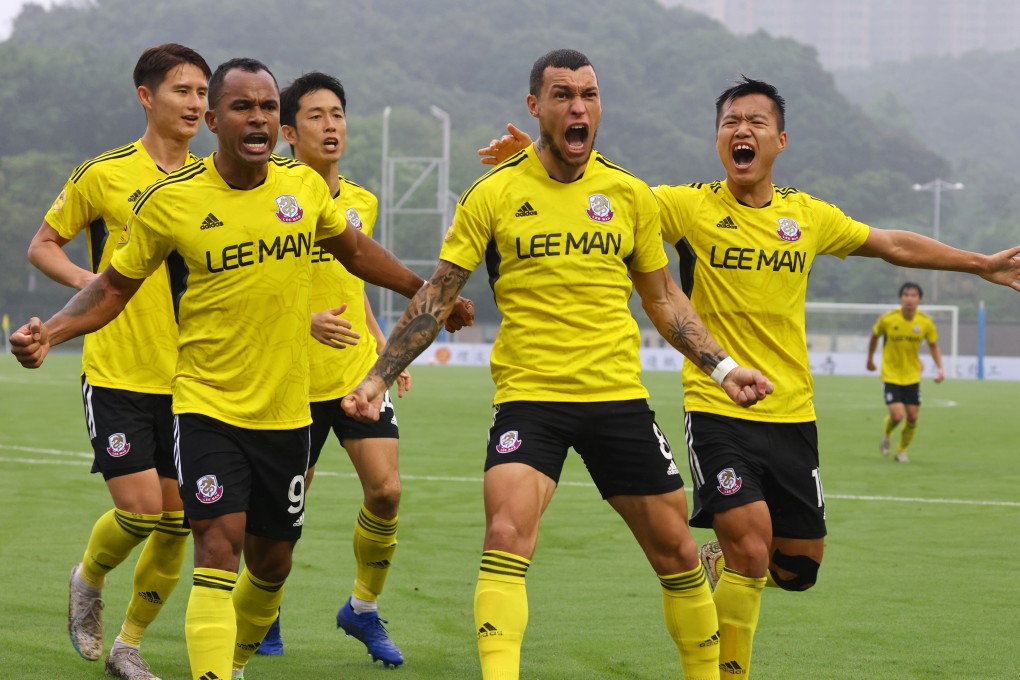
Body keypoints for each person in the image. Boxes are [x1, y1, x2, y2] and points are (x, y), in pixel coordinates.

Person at [479, 76, 1020, 678]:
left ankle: (722, 560)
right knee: (753, 545)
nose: (741, 131)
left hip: (792, 412)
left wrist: (980, 264)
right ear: (717, 139)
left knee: (798, 568)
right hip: (716, 403)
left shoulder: (806, 215)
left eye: (755, 122)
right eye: (729, 122)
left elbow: (890, 243)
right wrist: (531, 160)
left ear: (779, 140)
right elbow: (594, 188)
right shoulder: (684, 206)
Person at [11, 57, 471, 680]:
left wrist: (431, 296)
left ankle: (231, 660)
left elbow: (357, 253)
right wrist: (53, 330)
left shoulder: (302, 189)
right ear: (214, 120)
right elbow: (113, 288)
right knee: (212, 547)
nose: (257, 118)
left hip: (286, 411)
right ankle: (159, 649)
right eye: (241, 107)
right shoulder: (168, 202)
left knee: (272, 563)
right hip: (204, 405)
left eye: (267, 107)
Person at [344, 49, 774, 680]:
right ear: (535, 106)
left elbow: (662, 298)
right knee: (506, 534)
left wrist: (721, 365)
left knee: (680, 551)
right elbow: (438, 292)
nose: (579, 107)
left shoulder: (628, 194)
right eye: (564, 95)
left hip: (616, 399)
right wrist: (378, 375)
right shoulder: (492, 194)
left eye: (590, 95)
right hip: (530, 399)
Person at [26, 43, 211, 680]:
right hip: (118, 370)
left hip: (192, 379)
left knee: (178, 521)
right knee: (140, 510)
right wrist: (95, 283)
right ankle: (89, 576)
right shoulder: (104, 173)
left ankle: (128, 648)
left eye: (202, 93)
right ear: (146, 96)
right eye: (183, 91)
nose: (195, 104)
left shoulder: (213, 183)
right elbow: (42, 244)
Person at [254, 71, 410, 667]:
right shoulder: (269, 198)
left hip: (355, 375)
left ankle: (363, 610)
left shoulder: (361, 201)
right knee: (281, 515)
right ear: (288, 132)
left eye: (338, 113)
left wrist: (382, 347)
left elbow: (354, 278)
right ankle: (264, 611)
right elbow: (255, 285)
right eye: (316, 115)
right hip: (290, 378)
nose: (331, 125)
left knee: (387, 491)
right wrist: (303, 322)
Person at [866, 282, 943, 463]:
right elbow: (874, 335)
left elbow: (933, 346)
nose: (909, 299)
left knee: (913, 417)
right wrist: (869, 359)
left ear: (919, 299)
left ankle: (901, 451)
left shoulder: (925, 322)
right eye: (906, 295)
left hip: (911, 376)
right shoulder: (888, 319)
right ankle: (887, 434)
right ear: (901, 298)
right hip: (890, 374)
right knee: (897, 415)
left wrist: (940, 368)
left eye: (913, 295)